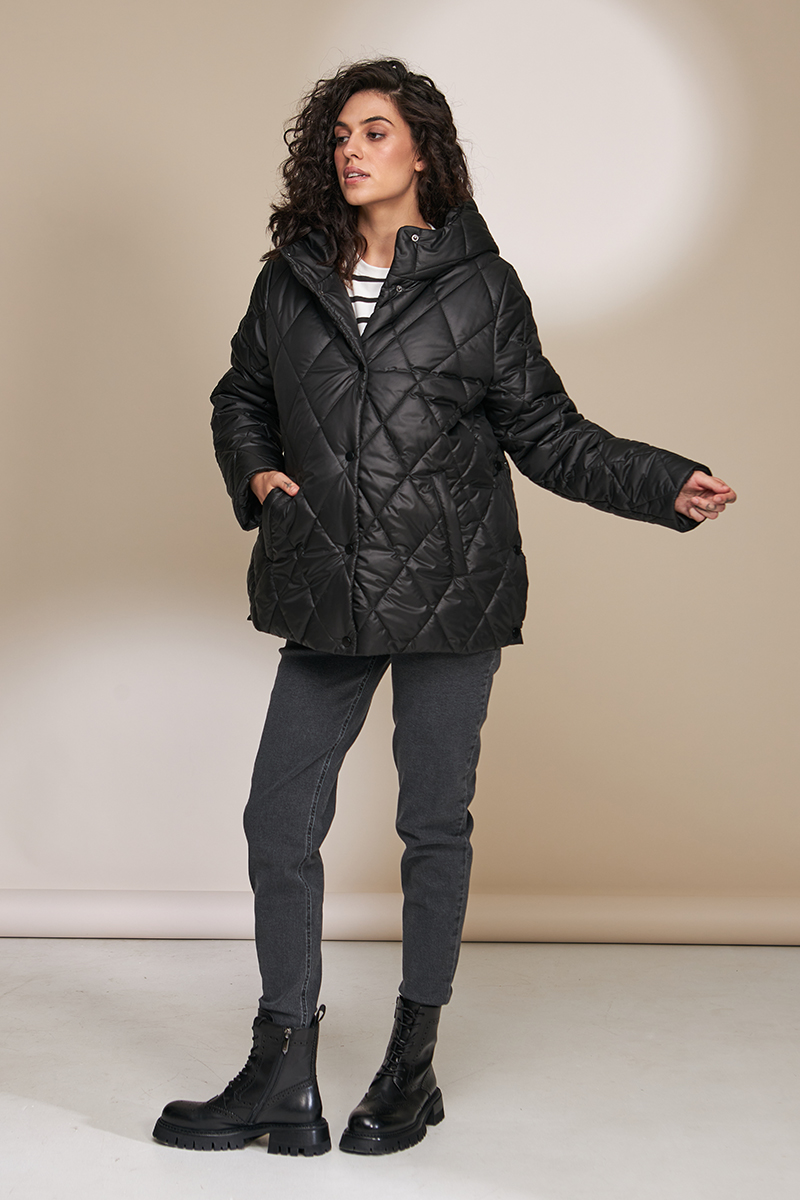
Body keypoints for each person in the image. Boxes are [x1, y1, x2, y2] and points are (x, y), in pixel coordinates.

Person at [152, 58, 736, 1158]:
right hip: (323, 581)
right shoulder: (290, 279)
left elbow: (547, 432)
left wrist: (661, 482)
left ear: (422, 149)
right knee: (279, 820)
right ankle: (281, 1071)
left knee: (432, 826)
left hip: (452, 589)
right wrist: (260, 472)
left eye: (374, 131)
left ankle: (409, 1065)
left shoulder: (481, 286)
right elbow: (242, 395)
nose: (351, 150)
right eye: (338, 135)